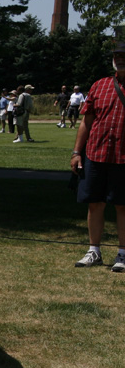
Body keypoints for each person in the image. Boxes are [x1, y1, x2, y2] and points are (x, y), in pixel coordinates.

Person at [71, 41, 125, 270]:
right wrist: (76, 152)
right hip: (96, 153)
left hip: (123, 157)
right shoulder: (100, 85)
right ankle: (94, 251)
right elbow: (86, 121)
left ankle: (123, 254)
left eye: (123, 55)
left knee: (123, 206)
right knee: (94, 203)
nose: (119, 58)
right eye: (116, 54)